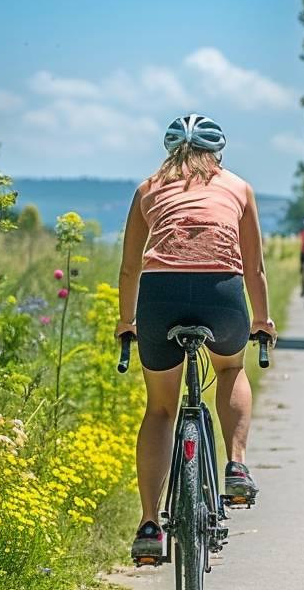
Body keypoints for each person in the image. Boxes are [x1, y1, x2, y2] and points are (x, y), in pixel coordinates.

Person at [115, 113, 277, 563]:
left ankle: (150, 524)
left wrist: (126, 322)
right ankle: (237, 465)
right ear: (217, 152)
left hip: (159, 296)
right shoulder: (239, 188)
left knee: (162, 408)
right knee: (229, 367)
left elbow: (130, 268)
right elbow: (255, 266)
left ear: (171, 151)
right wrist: (261, 319)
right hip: (220, 294)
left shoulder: (147, 188)